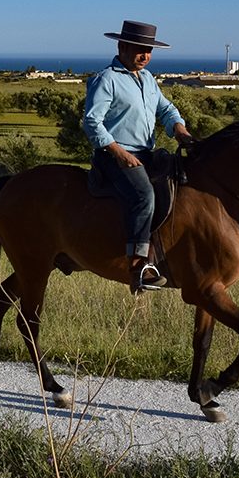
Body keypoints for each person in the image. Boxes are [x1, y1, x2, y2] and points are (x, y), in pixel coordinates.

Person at [82, 20, 194, 294]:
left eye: (149, 51)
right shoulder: (106, 80)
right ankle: (139, 266)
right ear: (122, 46)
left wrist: (178, 127)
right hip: (114, 156)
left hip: (144, 153)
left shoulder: (147, 79)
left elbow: (166, 109)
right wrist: (118, 151)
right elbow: (91, 122)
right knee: (144, 195)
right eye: (139, 49)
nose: (145, 56)